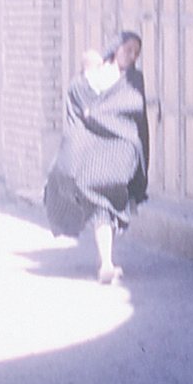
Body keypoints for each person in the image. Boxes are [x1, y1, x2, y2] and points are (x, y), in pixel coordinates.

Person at [44, 30, 150, 283]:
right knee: (101, 204)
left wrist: (101, 115)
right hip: (91, 151)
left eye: (136, 53)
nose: (132, 56)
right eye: (128, 50)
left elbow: (135, 111)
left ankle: (106, 261)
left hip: (119, 150)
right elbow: (76, 104)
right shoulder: (87, 80)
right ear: (115, 49)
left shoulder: (133, 80)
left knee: (104, 200)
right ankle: (106, 262)